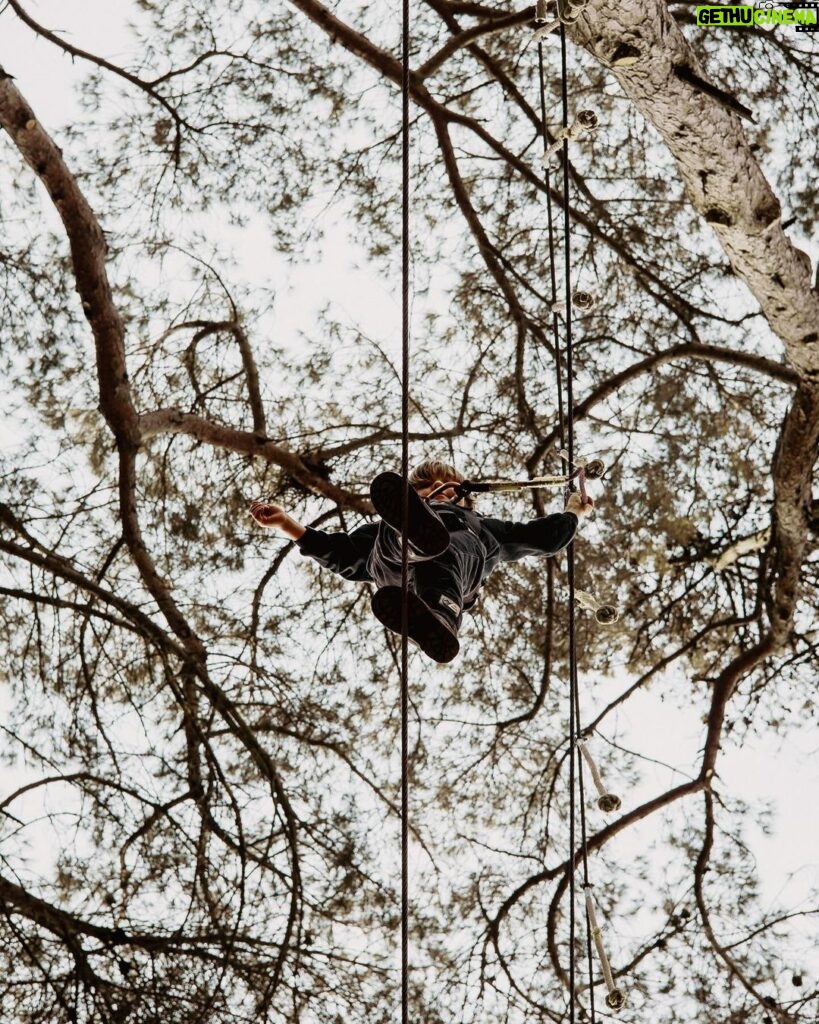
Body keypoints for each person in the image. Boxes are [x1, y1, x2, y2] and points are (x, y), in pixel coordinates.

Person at [249, 458, 594, 664]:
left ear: (466, 496)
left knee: (452, 547)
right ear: (413, 497)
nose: (441, 487)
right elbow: (341, 554)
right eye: (428, 487)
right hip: (393, 564)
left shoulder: (487, 528)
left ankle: (439, 615)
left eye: (449, 485)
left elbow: (545, 538)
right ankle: (410, 537)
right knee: (390, 539)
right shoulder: (381, 529)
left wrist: (573, 512)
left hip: (456, 569)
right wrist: (286, 524)